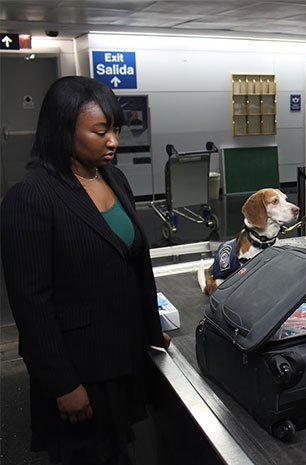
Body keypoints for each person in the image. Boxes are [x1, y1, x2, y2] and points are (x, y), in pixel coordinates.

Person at [1, 76, 170, 465]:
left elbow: (133, 265)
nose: (113, 140)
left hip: (123, 357)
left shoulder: (114, 178)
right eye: (100, 131)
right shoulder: (31, 197)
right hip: (81, 372)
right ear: (63, 131)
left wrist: (148, 328)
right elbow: (31, 304)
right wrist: (62, 383)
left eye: (115, 129)